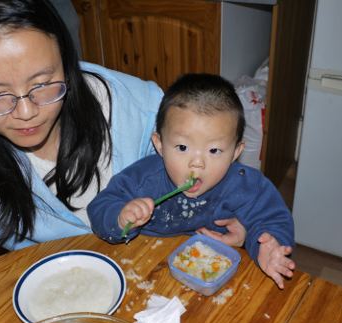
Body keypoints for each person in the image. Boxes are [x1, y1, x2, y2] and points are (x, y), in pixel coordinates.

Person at [0, 0, 245, 295]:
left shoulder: (139, 108)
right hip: (55, 290)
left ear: (67, 62)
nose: (26, 113)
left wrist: (236, 213)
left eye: (44, 84)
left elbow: (212, 165)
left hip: (153, 271)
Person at [88, 73, 296, 289]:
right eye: (182, 148)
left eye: (214, 150)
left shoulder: (245, 185)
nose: (197, 164)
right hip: (142, 267)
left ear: (236, 152)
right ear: (159, 144)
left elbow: (273, 219)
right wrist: (121, 217)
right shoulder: (143, 179)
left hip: (211, 273)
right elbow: (100, 208)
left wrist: (270, 246)